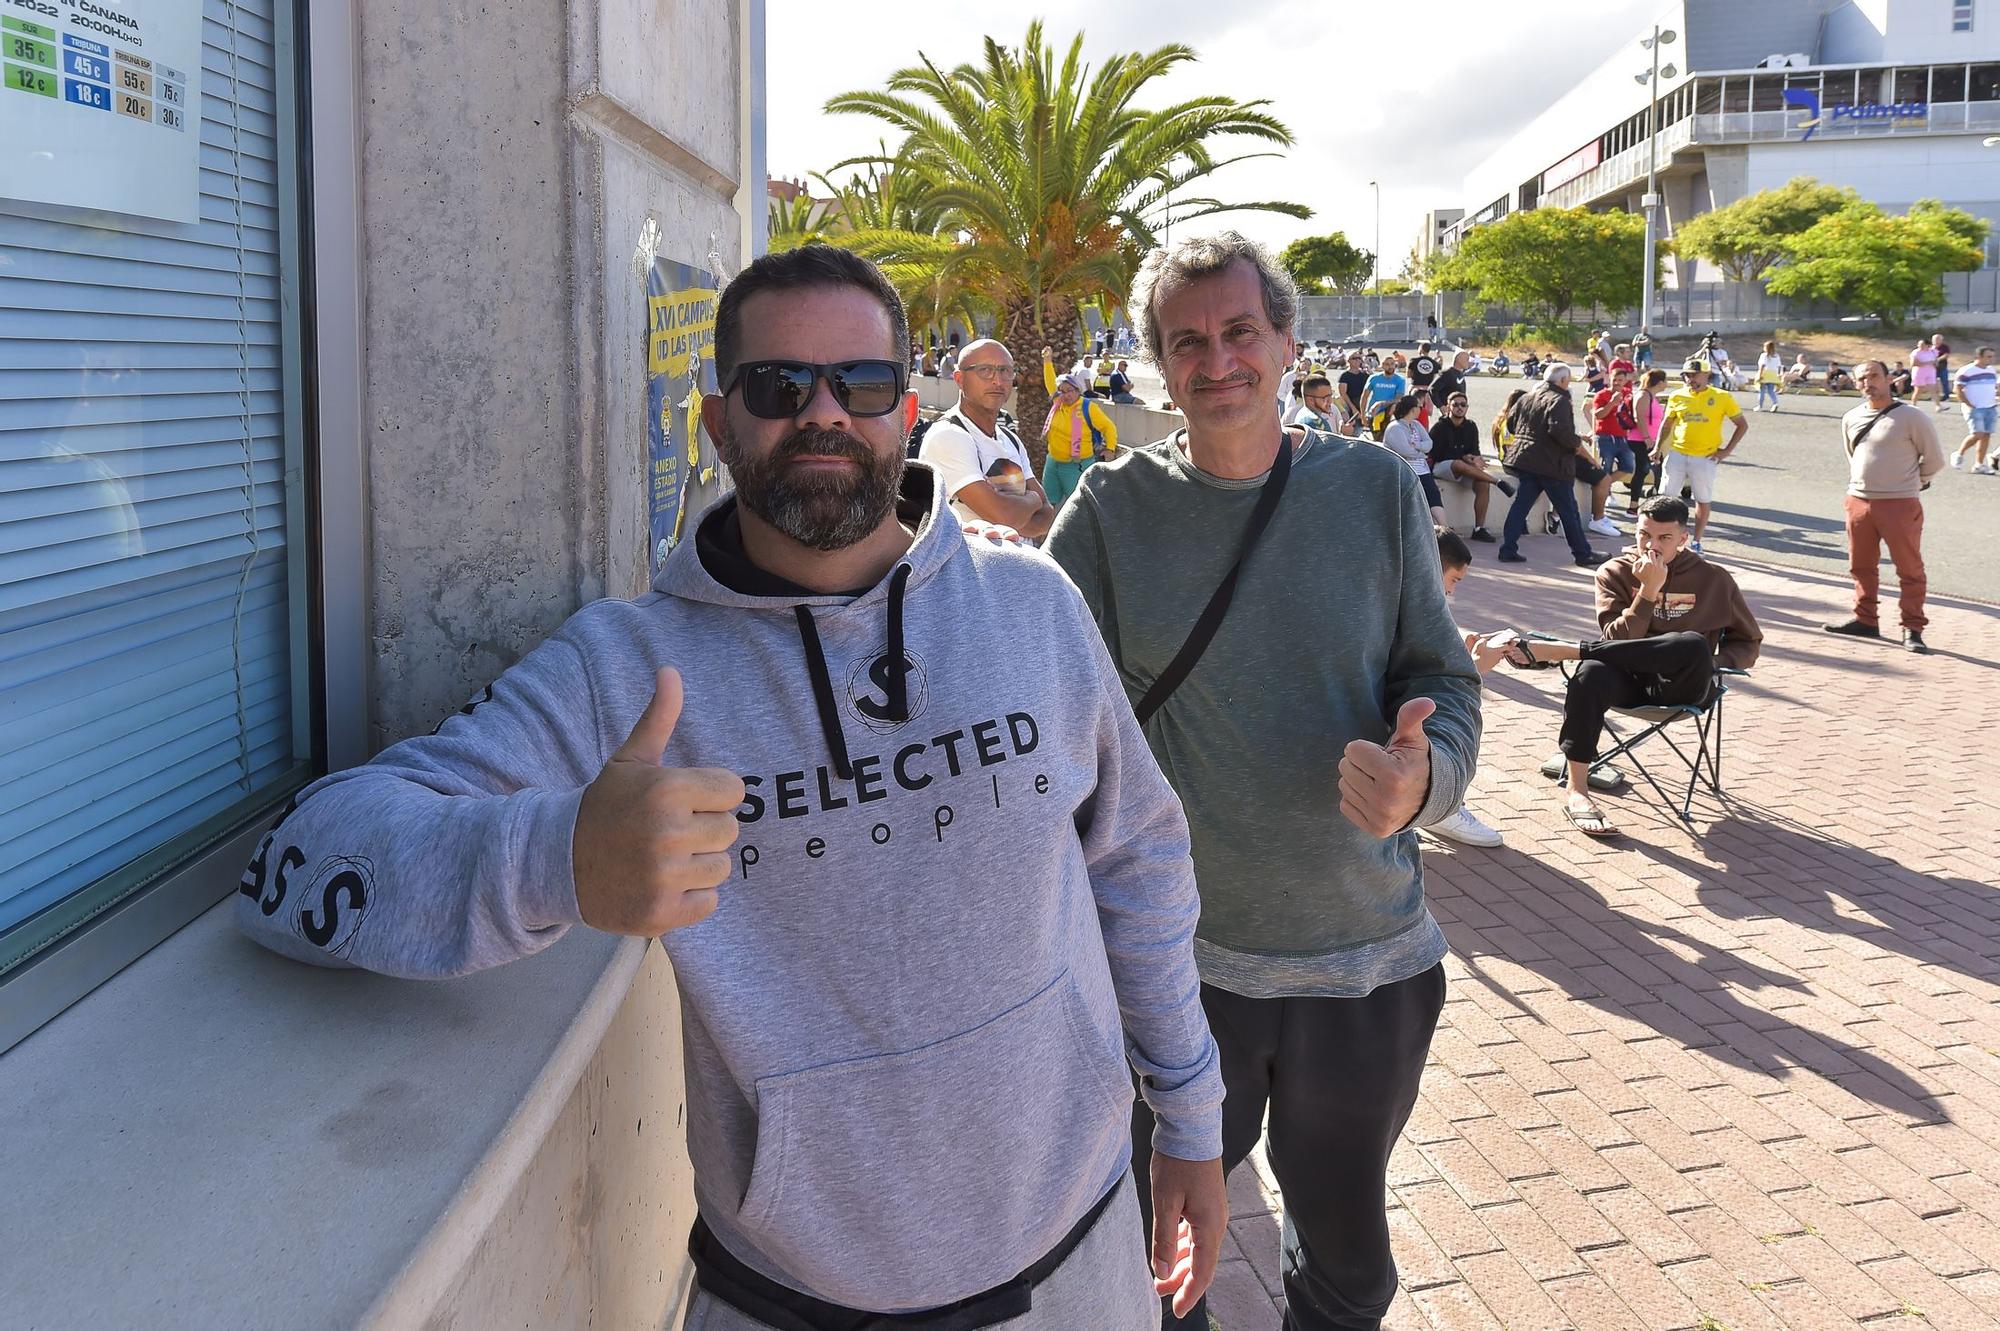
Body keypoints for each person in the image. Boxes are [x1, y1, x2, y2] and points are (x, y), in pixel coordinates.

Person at [234, 244, 1227, 1330]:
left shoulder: (1031, 605)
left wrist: (1188, 1113)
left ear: (906, 409)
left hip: (1081, 1269)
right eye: (775, 385)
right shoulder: (622, 667)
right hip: (789, 1301)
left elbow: (1137, 856)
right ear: (718, 425)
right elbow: (303, 854)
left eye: (862, 383)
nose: (823, 414)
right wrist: (555, 857)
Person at [1045, 232, 1479, 1331]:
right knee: (1161, 1258)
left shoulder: (1372, 486)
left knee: (1345, 1266)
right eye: (1185, 340)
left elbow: (1439, 674)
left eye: (1240, 331)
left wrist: (1421, 777)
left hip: (1366, 959)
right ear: (1157, 363)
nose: (1216, 359)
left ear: (1287, 341)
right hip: (1174, 969)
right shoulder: (1105, 510)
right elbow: (1031, 695)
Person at [1500, 495, 1761, 837]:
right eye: (1644, 535)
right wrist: (1648, 592)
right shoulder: (1616, 572)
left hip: (1685, 685)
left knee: (1692, 644)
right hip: (1630, 680)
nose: (1651, 546)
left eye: (1664, 538)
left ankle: (1567, 650)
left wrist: (1713, 663)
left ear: (1683, 538)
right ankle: (1578, 792)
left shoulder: (1714, 578)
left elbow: (1748, 641)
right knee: (1591, 671)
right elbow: (1618, 642)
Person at [1823, 360, 1947, 654]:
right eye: (1862, 378)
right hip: (1858, 501)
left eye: (1875, 376)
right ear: (1855, 384)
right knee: (1861, 565)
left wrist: (1914, 483)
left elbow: (1934, 459)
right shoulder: (1851, 417)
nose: (1869, 382)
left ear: (1889, 378)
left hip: (1900, 503)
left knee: (1909, 569)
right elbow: (1852, 455)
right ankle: (1866, 619)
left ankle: (1912, 628)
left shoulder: (1912, 417)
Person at [920, 337, 1059, 540]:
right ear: (959, 379)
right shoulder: (949, 436)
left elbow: (1046, 517)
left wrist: (1012, 512)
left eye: (1005, 371)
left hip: (1018, 565)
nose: (997, 380)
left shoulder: (1011, 440)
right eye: (985, 370)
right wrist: (1033, 500)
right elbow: (1005, 516)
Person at [1427, 528, 1510, 848]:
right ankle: (1442, 803)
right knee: (1459, 705)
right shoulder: (1409, 607)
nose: (1452, 591)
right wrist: (1474, 670)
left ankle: (1435, 797)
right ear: (1431, 566)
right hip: (1360, 715)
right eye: (1454, 580)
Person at [1496, 363, 1611, 568]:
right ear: (1563, 380)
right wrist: (1576, 443)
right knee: (1568, 510)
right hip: (1552, 464)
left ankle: (1508, 548)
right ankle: (1582, 553)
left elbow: (1512, 425)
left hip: (1526, 460)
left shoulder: (1527, 397)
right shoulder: (1560, 400)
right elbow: (1560, 431)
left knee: (1520, 506)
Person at [1657, 357, 1749, 553]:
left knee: (1702, 499)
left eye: (1695, 375)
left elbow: (1742, 425)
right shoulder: (1677, 396)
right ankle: (1664, 538)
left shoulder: (1722, 397)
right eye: (1687, 375)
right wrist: (1657, 448)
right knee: (1665, 498)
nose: (1691, 379)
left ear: (1707, 375)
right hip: (1678, 454)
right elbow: (1666, 424)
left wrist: (1726, 451)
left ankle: (1696, 541)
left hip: (1705, 457)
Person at [1429, 390, 1514, 542]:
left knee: (1482, 484)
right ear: (1449, 407)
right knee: (1458, 463)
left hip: (1463, 468)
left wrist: (1474, 458)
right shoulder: (1439, 428)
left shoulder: (1471, 426)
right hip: (1442, 467)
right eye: (1456, 405)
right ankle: (1498, 482)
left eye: (1463, 405)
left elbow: (1474, 450)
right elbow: (1436, 454)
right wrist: (1462, 456)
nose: (1459, 408)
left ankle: (1479, 529)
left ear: (1467, 407)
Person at [1041, 350, 1119, 510]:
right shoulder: (1058, 403)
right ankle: (1045, 534)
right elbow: (1050, 382)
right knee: (1048, 504)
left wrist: (1110, 448)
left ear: (1078, 390)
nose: (1066, 395)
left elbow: (1108, 427)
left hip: (1076, 465)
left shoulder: (1088, 407)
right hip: (1053, 462)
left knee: (1079, 508)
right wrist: (1047, 361)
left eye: (1070, 390)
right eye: (1062, 391)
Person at [1381, 394, 1447, 525]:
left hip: (1422, 469)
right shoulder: (1395, 427)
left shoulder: (1416, 425)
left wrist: (1417, 446)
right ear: (1412, 409)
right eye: (1419, 406)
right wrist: (1421, 452)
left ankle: (1444, 527)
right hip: (1404, 471)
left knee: (1433, 494)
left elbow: (1429, 444)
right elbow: (1405, 451)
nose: (1421, 409)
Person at [1589, 369, 1637, 537]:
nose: (1617, 382)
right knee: (1605, 468)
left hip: (1623, 437)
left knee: (1629, 466)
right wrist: (1611, 402)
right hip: (1606, 437)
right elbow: (1598, 415)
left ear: (1625, 381)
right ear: (1610, 379)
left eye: (1620, 380)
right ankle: (1603, 501)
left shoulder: (1628, 394)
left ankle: (1605, 485)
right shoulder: (1602, 395)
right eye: (1615, 379)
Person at [1949, 344, 1997, 473]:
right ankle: (1959, 453)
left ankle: (1979, 464)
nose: (1991, 359)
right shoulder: (1967, 371)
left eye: (1992, 357)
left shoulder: (1991, 370)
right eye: (1988, 357)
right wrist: (1969, 404)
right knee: (1977, 434)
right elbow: (1957, 389)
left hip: (1990, 407)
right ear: (1978, 356)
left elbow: (1994, 388)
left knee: (1986, 436)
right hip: (1975, 407)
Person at [1626, 368, 1667, 515]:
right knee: (1643, 470)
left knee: (1656, 469)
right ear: (1660, 382)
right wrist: (1647, 439)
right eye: (1665, 381)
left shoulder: (1652, 396)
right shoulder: (1643, 395)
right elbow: (1639, 417)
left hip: (1651, 440)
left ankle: (1654, 500)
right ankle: (1633, 506)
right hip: (1640, 440)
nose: (1666, 384)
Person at [1359, 356, 1408, 435]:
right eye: (1387, 364)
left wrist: (1381, 403)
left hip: (1390, 414)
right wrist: (1363, 415)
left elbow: (1399, 399)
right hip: (1374, 413)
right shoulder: (1373, 378)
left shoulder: (1400, 380)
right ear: (1382, 366)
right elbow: (1364, 397)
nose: (1390, 366)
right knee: (1377, 439)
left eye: (1392, 364)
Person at [1406, 342, 1442, 425]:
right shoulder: (1434, 363)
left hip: (1415, 388)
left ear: (1421, 349)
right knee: (1425, 413)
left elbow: (1408, 375)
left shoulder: (1413, 361)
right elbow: (1434, 376)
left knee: (1412, 411)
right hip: (1427, 389)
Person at [1336, 351, 1372, 432]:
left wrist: (1369, 370)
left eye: (1359, 358)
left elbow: (1374, 385)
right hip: (1349, 403)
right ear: (1348, 361)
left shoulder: (1364, 375)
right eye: (1354, 358)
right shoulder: (1344, 376)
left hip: (1361, 403)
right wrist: (1354, 409)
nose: (1357, 360)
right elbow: (1343, 394)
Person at [1429, 349, 1471, 414]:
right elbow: (1432, 389)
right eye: (1467, 359)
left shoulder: (1460, 373)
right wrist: (1441, 406)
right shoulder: (1447, 373)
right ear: (1459, 359)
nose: (1469, 361)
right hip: (1448, 413)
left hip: (1459, 412)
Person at [1912, 338, 1941, 409]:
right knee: (1918, 390)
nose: (1920, 346)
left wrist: (1935, 363)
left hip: (1930, 373)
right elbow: (1914, 363)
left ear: (1927, 345)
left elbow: (1936, 363)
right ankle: (1913, 405)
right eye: (1919, 344)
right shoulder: (1916, 352)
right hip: (1919, 373)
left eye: (1922, 344)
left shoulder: (1933, 352)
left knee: (1933, 389)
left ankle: (1938, 405)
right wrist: (1928, 363)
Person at [1933, 332, 1954, 408]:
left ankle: (1946, 396)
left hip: (1942, 367)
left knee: (1944, 382)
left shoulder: (1944, 347)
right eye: (1935, 339)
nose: (1936, 341)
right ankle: (1935, 397)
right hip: (1933, 369)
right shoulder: (1931, 348)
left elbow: (1946, 355)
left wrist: (1937, 359)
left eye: (1938, 339)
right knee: (1932, 383)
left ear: (1941, 340)